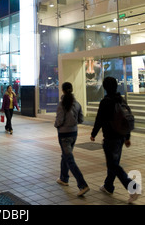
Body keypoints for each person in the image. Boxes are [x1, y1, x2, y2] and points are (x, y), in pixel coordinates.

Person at [90, 76, 140, 204]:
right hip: (121, 136)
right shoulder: (121, 99)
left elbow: (99, 119)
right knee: (113, 162)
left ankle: (132, 187)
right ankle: (108, 186)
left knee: (113, 164)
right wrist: (127, 137)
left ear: (105, 87)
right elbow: (126, 118)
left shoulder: (106, 101)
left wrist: (93, 133)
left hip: (110, 137)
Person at [55, 82, 89, 197]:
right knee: (65, 155)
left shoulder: (62, 104)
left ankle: (82, 185)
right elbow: (81, 119)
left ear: (63, 90)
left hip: (64, 134)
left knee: (69, 159)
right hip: (74, 133)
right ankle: (64, 178)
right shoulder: (77, 104)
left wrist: (57, 126)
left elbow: (59, 120)